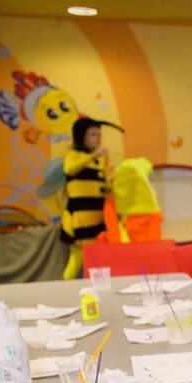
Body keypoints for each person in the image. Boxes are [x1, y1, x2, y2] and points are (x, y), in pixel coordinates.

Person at [59, 118, 118, 280]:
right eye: (93, 134)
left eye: (99, 135)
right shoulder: (74, 156)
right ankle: (68, 290)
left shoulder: (100, 160)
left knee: (90, 258)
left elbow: (104, 185)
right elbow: (69, 169)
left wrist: (109, 186)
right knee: (81, 258)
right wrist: (92, 155)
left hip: (97, 217)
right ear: (81, 137)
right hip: (80, 219)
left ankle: (82, 289)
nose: (97, 139)